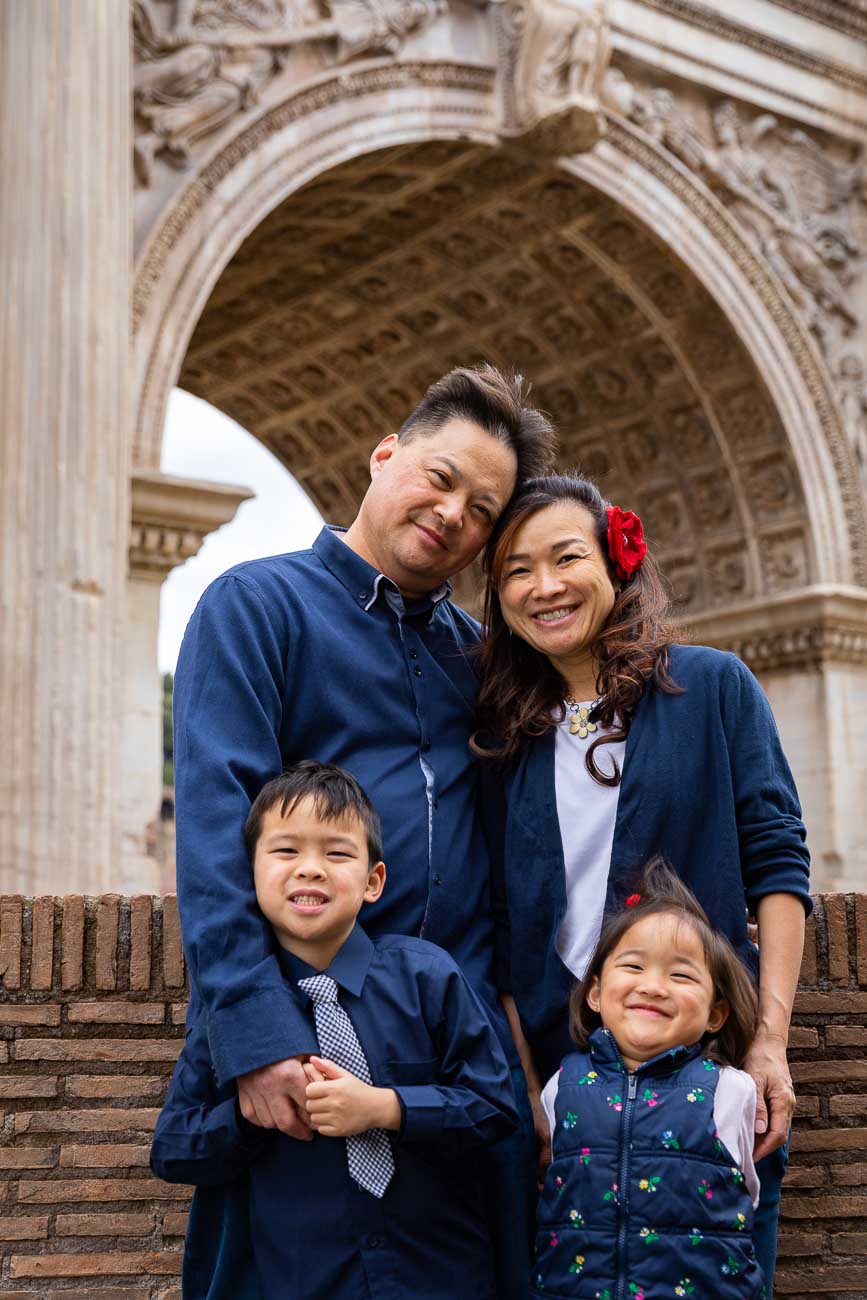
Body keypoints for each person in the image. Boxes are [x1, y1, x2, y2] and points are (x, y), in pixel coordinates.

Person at [171, 364, 557, 1295]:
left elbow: (515, 857)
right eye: (439, 476)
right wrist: (254, 1039)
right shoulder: (255, 607)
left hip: (455, 1064)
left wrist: (530, 1056)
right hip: (301, 1049)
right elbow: (220, 833)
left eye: (482, 508)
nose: (454, 512)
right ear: (385, 453)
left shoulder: (478, 656)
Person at [474, 472, 811, 1291]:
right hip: (561, 1077)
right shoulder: (499, 731)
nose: (543, 586)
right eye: (516, 569)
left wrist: (768, 1040)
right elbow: (499, 921)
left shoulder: (712, 688)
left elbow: (777, 863)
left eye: (564, 558)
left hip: (708, 1064)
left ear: (616, 562)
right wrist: (527, 1086)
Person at [152, 762, 518, 1298]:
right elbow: (172, 1150)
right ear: (249, 874)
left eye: (337, 853)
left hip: (437, 1275)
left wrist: (387, 1109)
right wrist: (254, 1117)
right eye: (285, 851)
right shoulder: (231, 1012)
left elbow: (495, 1108)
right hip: (301, 1280)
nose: (311, 869)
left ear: (373, 881)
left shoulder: (428, 977)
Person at [533, 859, 765, 1299]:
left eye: (680, 975)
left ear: (716, 1013)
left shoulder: (730, 1092)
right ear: (596, 993)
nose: (654, 986)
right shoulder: (561, 1086)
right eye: (634, 967)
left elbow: (746, 1198)